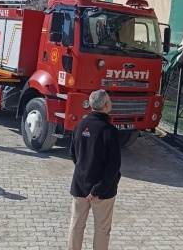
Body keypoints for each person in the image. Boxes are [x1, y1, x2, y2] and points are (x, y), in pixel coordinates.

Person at [68, 90, 121, 250]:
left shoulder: (80, 125)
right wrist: (98, 189)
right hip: (103, 192)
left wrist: (83, 178)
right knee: (102, 230)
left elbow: (73, 154)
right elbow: (114, 165)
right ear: (106, 105)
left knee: (76, 226)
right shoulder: (109, 130)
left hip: (79, 186)